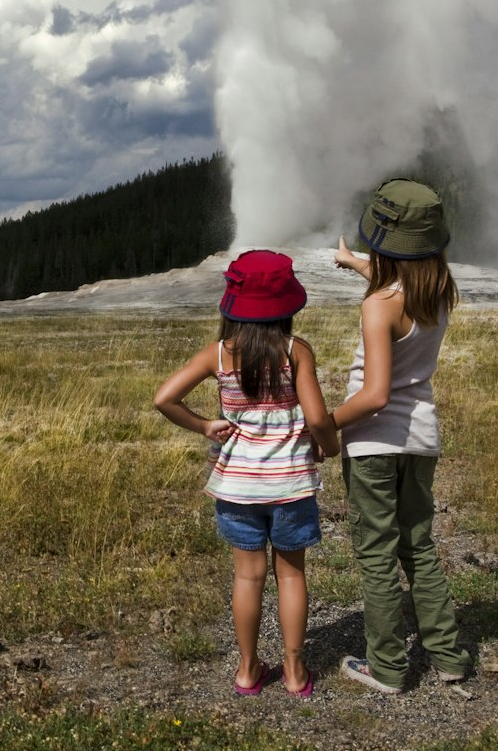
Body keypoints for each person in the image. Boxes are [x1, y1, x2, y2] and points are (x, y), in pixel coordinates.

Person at [154, 249, 340, 698]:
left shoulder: (217, 354)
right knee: (291, 575)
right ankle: (295, 673)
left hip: (236, 487)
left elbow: (164, 398)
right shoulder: (296, 352)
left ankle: (247, 669)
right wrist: (329, 446)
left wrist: (203, 425)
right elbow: (317, 418)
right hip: (291, 485)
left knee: (247, 577)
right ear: (287, 308)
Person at [330, 178, 471, 693]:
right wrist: (354, 265)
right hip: (420, 440)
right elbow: (395, 284)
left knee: (376, 552)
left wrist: (321, 422)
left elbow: (374, 396)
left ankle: (387, 667)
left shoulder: (378, 306)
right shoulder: (439, 292)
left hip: (372, 444)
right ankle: (449, 655)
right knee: (419, 545)